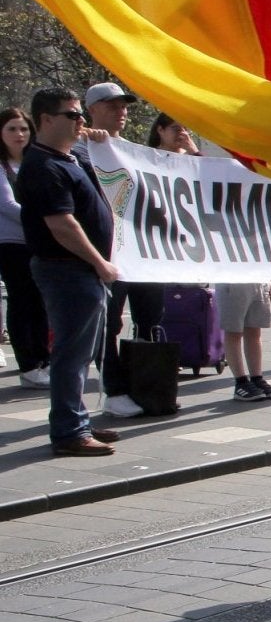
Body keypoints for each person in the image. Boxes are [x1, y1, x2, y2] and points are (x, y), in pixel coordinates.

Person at [15, 87, 120, 455]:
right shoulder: (42, 166)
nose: (81, 122)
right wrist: (99, 262)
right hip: (67, 269)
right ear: (45, 120)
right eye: (72, 115)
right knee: (71, 353)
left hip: (80, 271)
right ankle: (69, 431)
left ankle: (78, 420)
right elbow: (63, 225)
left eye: (81, 115)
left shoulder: (69, 156)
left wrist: (99, 140)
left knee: (84, 351)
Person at [77, 81, 165, 420]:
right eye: (112, 105)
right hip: (109, 252)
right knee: (108, 323)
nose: (121, 111)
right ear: (93, 109)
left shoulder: (130, 148)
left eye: (124, 105)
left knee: (149, 317)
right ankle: (114, 389)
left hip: (141, 251)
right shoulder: (83, 147)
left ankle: (146, 382)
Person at [1, 105, 51, 387]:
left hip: (40, 242)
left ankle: (44, 360)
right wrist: (44, 220)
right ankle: (29, 365)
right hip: (12, 244)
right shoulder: (2, 166)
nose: (19, 134)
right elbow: (8, 205)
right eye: (11, 129)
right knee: (22, 301)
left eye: (23, 128)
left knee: (42, 302)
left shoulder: (36, 161)